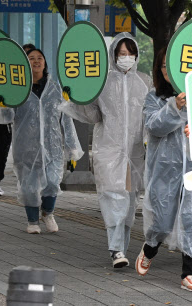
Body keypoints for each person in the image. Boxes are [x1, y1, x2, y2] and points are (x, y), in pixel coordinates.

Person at [60, 32, 151, 267]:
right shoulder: (102, 82)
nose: (126, 58)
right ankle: (116, 250)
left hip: (135, 154)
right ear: (113, 55)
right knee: (112, 197)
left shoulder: (144, 82)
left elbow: (150, 116)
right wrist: (75, 99)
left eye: (130, 53)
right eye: (122, 54)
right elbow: (93, 115)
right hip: (108, 151)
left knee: (129, 200)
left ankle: (121, 247)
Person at [136, 47, 192, 292]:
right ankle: (150, 247)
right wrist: (175, 107)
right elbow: (154, 127)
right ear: (159, 70)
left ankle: (189, 273)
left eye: (173, 64)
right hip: (164, 168)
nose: (169, 70)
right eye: (164, 66)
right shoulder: (153, 97)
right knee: (162, 220)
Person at [0, 49, 83, 233]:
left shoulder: (56, 88)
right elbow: (8, 117)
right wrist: (1, 106)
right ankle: (32, 221)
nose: (36, 61)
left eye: (39, 58)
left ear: (45, 62)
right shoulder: (18, 89)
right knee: (29, 187)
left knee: (52, 182)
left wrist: (72, 148)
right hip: (26, 146)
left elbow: (66, 117)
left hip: (53, 146)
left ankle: (48, 212)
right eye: (31, 58)